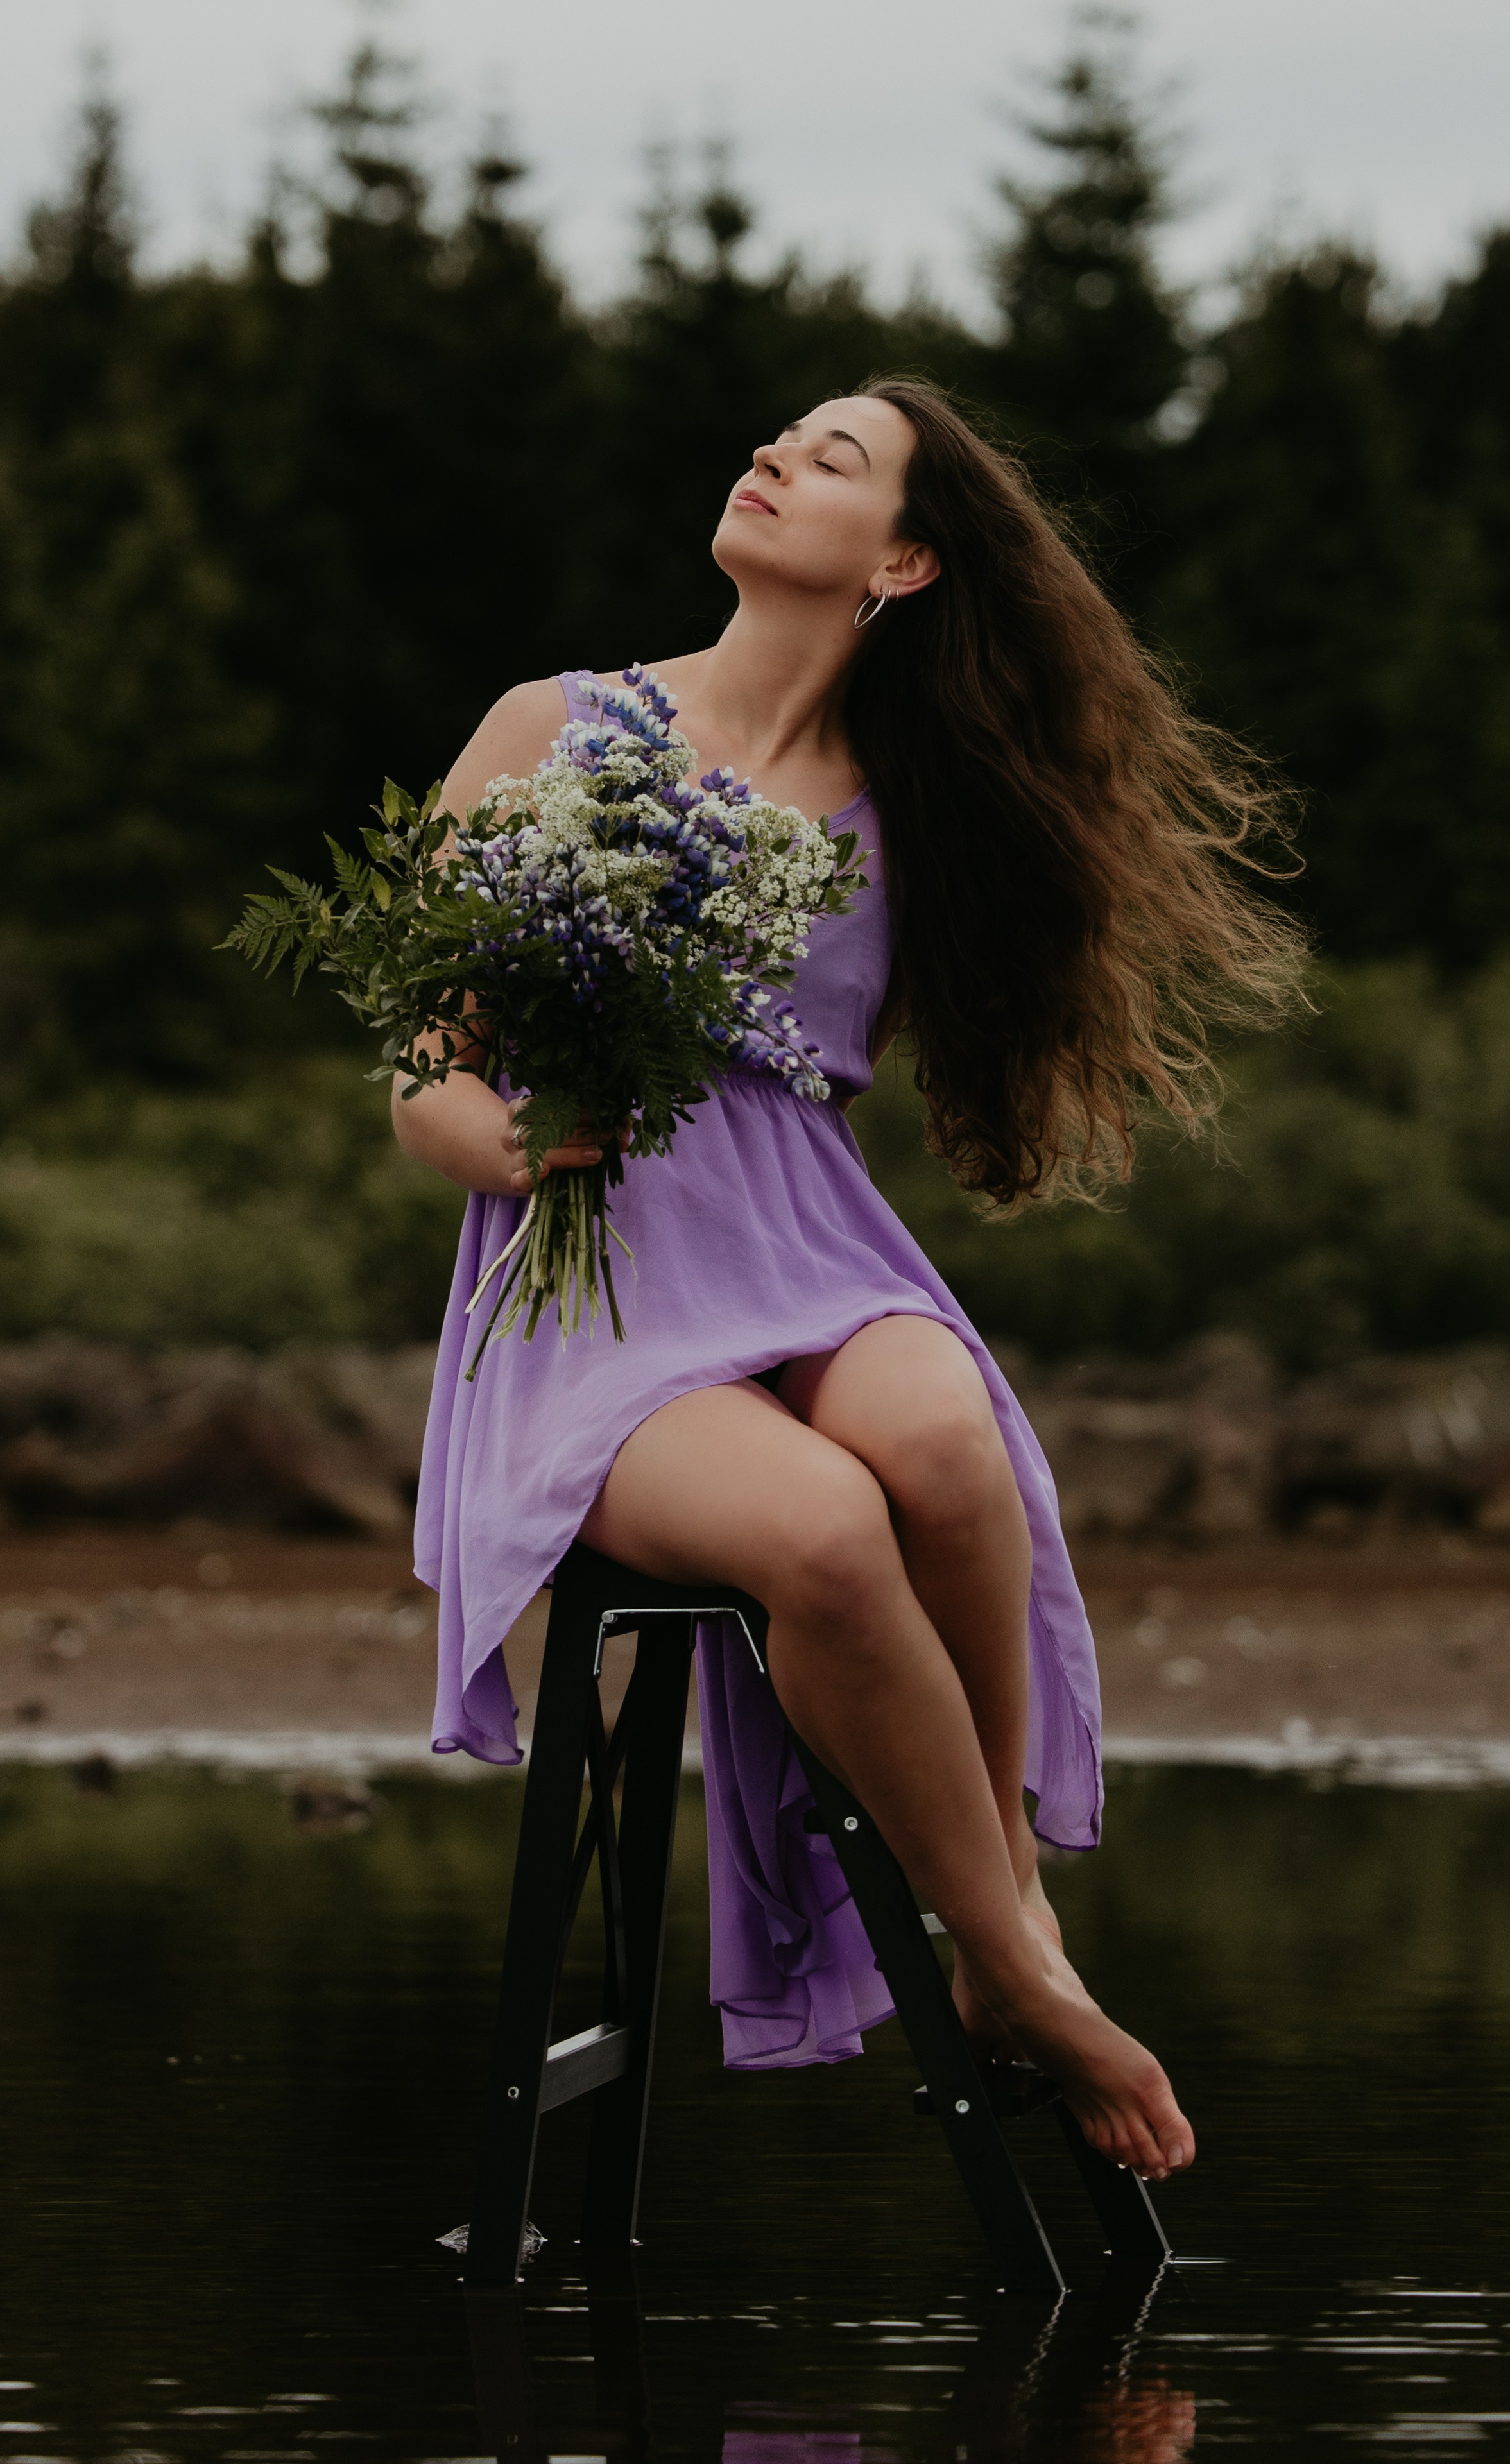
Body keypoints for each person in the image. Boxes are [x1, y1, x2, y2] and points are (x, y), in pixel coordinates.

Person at [399, 379, 1302, 2184]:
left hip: (808, 1257)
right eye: (776, 437)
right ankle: (1033, 1974)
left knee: (950, 1445)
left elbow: (992, 1010)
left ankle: (1002, 1925)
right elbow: (425, 1070)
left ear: (901, 558)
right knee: (821, 1530)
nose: (771, 457)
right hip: (588, 1302)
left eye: (832, 459)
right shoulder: (548, 727)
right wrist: (520, 1142)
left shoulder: (921, 801)